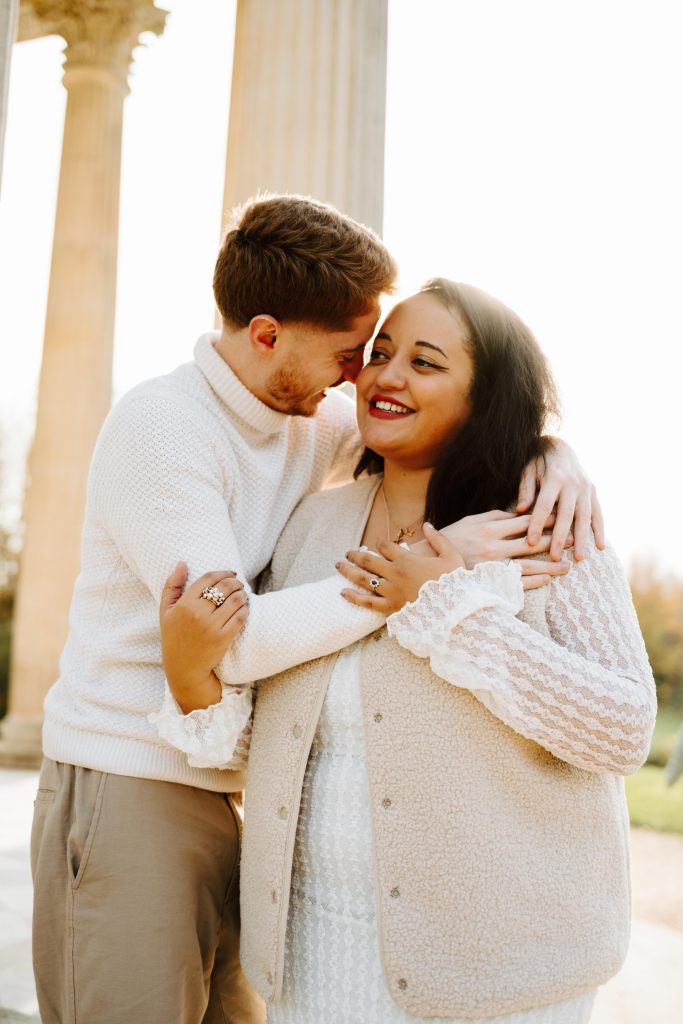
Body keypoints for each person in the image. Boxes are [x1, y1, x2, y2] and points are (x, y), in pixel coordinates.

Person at [31, 190, 597, 1024]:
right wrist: (414, 578)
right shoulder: (163, 428)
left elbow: (449, 423)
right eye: (349, 353)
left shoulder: (307, 414)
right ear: (266, 336)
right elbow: (233, 642)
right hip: (131, 780)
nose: (360, 375)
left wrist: (550, 453)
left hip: (230, 787)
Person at [159, 280, 656, 1024]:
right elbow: (272, 744)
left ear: (485, 398)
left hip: (501, 970)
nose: (387, 377)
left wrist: (448, 610)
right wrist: (188, 674)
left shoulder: (548, 526)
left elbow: (622, 728)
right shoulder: (310, 526)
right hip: (309, 957)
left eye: (425, 363)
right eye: (380, 354)